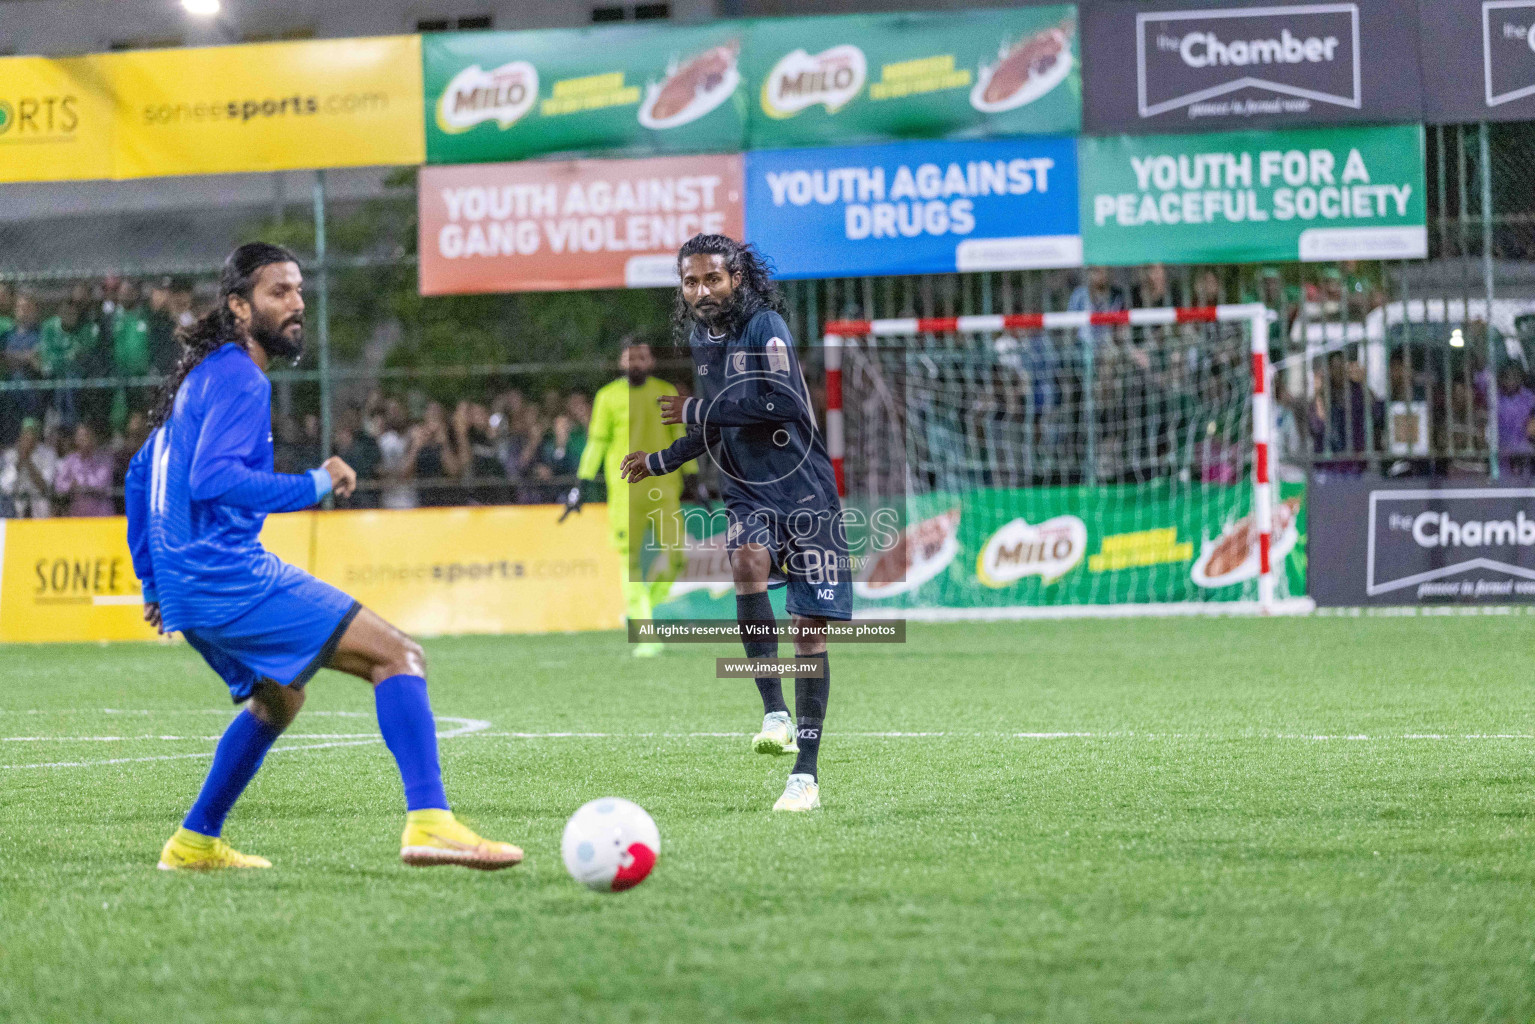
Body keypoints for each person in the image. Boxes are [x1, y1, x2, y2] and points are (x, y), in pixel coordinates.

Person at [126, 242, 521, 872]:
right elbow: (211, 481)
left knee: (280, 698)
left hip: (189, 586)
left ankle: (194, 841)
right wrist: (314, 483)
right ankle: (431, 821)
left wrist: (153, 578)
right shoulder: (240, 378)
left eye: (299, 292)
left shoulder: (205, 376)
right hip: (224, 576)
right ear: (238, 306)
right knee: (398, 655)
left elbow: (142, 469)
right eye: (278, 293)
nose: (296, 305)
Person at [621, 234, 850, 813]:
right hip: (747, 489)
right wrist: (663, 460)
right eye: (691, 282)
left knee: (810, 634)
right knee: (744, 561)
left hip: (804, 491)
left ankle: (806, 775)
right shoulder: (703, 339)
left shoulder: (765, 325)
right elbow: (712, 425)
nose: (701, 291)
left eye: (712, 279)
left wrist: (701, 409)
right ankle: (774, 712)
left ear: (736, 279)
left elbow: (785, 403)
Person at [567, 338, 697, 658]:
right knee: (631, 562)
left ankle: (642, 609)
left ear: (651, 361)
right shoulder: (607, 397)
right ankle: (646, 632)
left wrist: (693, 476)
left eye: (642, 357)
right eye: (630, 358)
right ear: (620, 362)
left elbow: (679, 438)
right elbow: (597, 442)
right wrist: (582, 483)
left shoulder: (664, 391)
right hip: (625, 492)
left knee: (677, 557)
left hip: (664, 490)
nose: (636, 363)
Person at [0, 416, 57, 518]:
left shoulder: (48, 454)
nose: (28, 438)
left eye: (32, 435)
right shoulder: (11, 454)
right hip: (16, 505)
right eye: (25, 434)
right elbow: (5, 486)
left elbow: (45, 486)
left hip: (39, 504)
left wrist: (27, 460)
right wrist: (19, 461)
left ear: (37, 437)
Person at [54, 421, 114, 517]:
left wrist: (80, 485)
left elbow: (101, 484)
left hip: (101, 514)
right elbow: (59, 486)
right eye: (79, 436)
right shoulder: (70, 460)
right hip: (78, 514)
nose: (82, 439)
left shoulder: (104, 459)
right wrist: (70, 485)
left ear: (93, 438)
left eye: (85, 436)